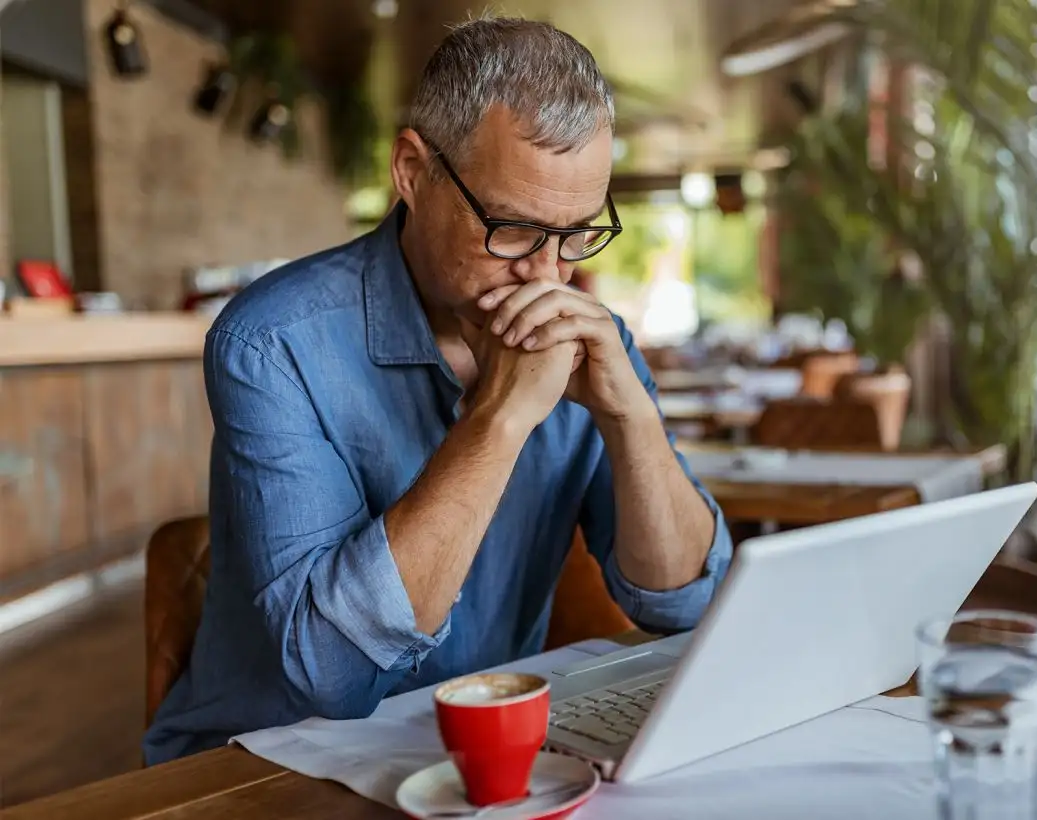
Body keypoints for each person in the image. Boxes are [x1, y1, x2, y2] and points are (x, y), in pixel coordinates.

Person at [143, 17, 733, 764]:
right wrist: (502, 417)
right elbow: (333, 675)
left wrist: (630, 416)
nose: (548, 275)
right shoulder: (272, 341)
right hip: (261, 765)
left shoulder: (590, 337)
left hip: (473, 751)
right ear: (413, 171)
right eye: (514, 229)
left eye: (579, 232)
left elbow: (687, 604)